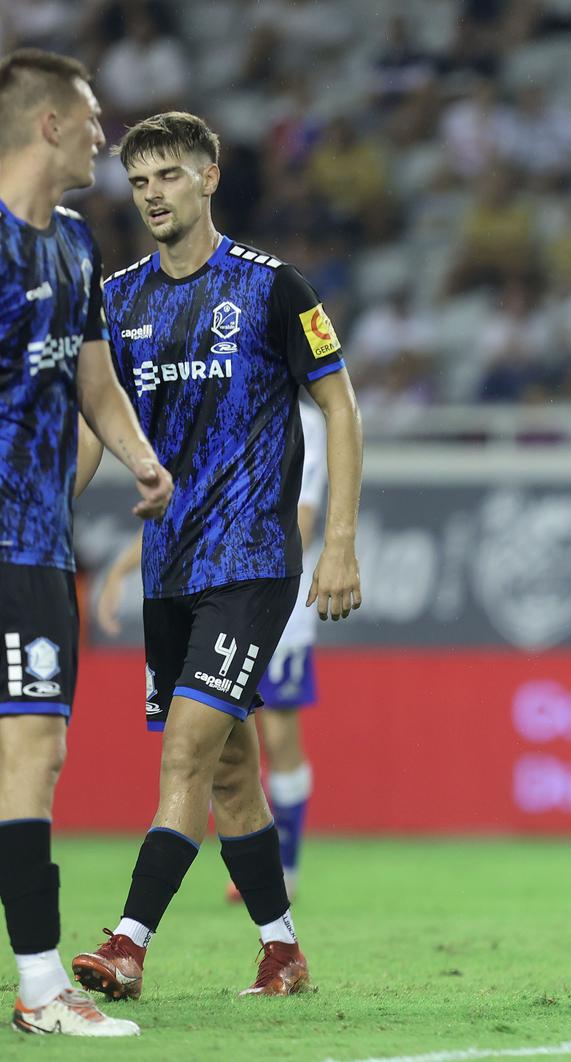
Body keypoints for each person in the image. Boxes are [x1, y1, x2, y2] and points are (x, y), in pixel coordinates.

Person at [70, 111, 363, 1003]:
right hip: (170, 568)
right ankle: (282, 952)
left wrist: (339, 541)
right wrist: (45, 520)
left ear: (209, 176)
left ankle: (127, 943)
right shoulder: (116, 300)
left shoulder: (275, 288)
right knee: (230, 768)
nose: (153, 193)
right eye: (140, 180)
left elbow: (341, 410)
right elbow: (94, 427)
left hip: (252, 560)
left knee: (186, 755)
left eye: (169, 175)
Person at [0, 48, 173, 1039]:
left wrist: (142, 461)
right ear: (49, 125)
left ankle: (36, 984)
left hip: (35, 545)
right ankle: (38, 987)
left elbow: (94, 383)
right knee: (28, 753)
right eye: (94, 118)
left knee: (37, 751)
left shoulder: (72, 250)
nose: (107, 135)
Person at [94, 398, 327, 899]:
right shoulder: (217, 405)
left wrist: (266, 583)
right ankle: (255, 876)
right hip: (214, 600)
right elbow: (187, 509)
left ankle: (286, 867)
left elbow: (302, 516)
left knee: (281, 737)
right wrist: (123, 565)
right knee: (219, 744)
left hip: (267, 603)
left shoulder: (305, 421)